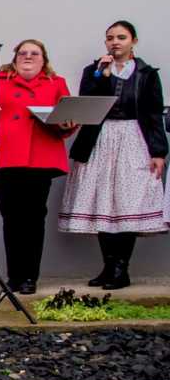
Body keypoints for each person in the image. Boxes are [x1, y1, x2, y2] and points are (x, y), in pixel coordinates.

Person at [59, 20, 167, 290]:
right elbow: (86, 102)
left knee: (127, 202)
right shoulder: (94, 71)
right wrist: (101, 75)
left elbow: (154, 114)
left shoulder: (146, 73)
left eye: (121, 37)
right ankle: (109, 267)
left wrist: (159, 151)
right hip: (101, 138)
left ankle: (121, 268)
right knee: (103, 202)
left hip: (134, 138)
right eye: (110, 37)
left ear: (133, 41)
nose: (115, 42)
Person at [0, 40, 77, 294]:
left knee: (34, 218)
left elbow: (68, 121)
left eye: (34, 53)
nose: (28, 56)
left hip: (41, 159)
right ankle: (14, 275)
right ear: (15, 58)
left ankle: (29, 277)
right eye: (23, 53)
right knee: (11, 217)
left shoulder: (56, 83)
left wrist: (67, 123)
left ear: (43, 59)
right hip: (9, 158)